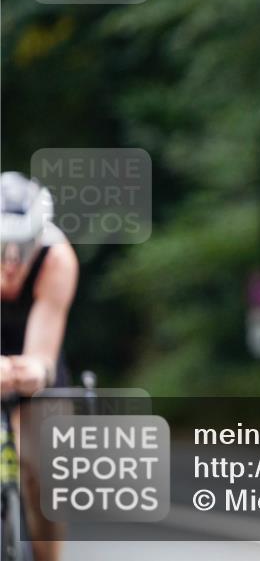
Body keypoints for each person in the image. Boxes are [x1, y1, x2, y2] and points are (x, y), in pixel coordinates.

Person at [0, 171, 79, 561]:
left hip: (30, 355)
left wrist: (26, 372)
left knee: (43, 465)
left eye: (21, 247)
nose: (10, 262)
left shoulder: (57, 257)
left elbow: (41, 361)